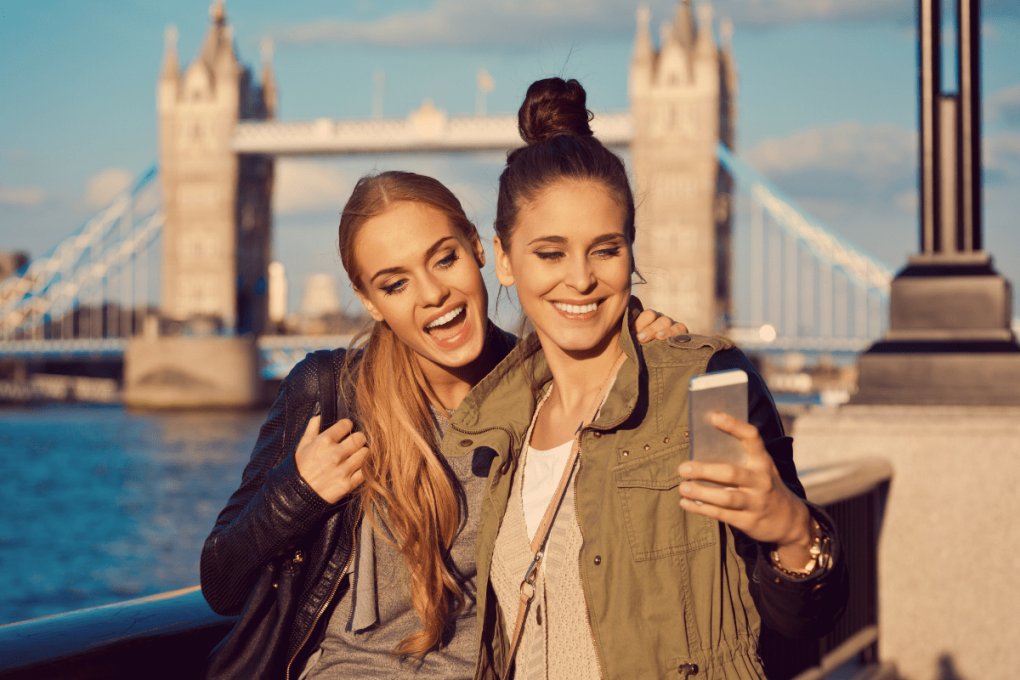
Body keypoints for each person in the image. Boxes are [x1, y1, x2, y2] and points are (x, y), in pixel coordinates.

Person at [200, 170, 686, 678]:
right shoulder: (331, 393)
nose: (433, 294)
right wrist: (300, 492)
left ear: (478, 248)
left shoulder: (553, 388)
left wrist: (642, 348)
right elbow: (221, 582)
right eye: (395, 283)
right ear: (369, 300)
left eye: (445, 259)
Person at [444, 78, 849, 680]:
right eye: (550, 253)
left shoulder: (704, 388)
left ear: (631, 252)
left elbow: (800, 626)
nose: (580, 280)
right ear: (504, 259)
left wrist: (792, 530)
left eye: (604, 251)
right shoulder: (494, 425)